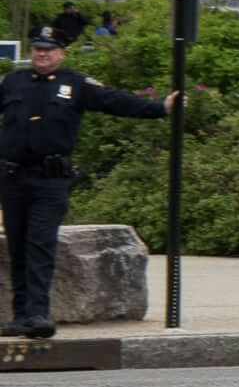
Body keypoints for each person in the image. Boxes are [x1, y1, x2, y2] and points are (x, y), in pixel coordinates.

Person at [4, 22, 178, 344]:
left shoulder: (75, 85)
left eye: (49, 50)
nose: (42, 55)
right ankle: (20, 316)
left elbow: (115, 101)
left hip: (50, 180)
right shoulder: (12, 83)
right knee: (18, 247)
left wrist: (160, 109)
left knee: (39, 244)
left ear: (61, 54)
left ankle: (38, 314)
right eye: (38, 50)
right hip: (13, 178)